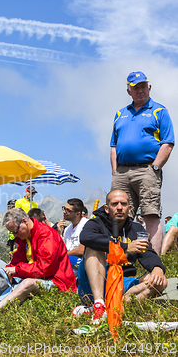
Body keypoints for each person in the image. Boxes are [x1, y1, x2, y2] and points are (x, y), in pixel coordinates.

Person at [0, 208, 76, 323]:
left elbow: (44, 269)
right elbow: (16, 262)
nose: (14, 235)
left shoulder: (47, 235)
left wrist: (16, 270)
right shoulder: (25, 237)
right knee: (5, 276)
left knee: (28, 283)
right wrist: (6, 270)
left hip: (59, 283)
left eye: (15, 231)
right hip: (39, 278)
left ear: (24, 221)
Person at [76, 189, 167, 323]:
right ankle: (98, 304)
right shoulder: (95, 223)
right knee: (94, 248)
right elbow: (86, 237)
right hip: (93, 284)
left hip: (122, 282)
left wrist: (157, 268)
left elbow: (147, 252)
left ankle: (116, 307)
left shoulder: (136, 229)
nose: (119, 207)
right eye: (115, 204)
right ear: (107, 208)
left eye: (123, 204)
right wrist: (124, 247)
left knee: (160, 282)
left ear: (129, 208)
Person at [110, 71, 174, 256]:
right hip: (121, 172)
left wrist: (155, 167)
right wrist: (115, 171)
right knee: (118, 216)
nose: (140, 91)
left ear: (149, 87)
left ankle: (153, 263)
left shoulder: (159, 111)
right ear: (129, 91)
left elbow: (167, 143)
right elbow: (113, 146)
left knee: (150, 214)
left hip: (147, 169)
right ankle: (120, 260)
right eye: (136, 87)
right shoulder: (120, 114)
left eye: (143, 86)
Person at [61, 198, 88, 269]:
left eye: (68, 210)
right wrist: (60, 233)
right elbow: (64, 249)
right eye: (64, 208)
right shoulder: (67, 229)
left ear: (78, 214)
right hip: (69, 262)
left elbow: (82, 250)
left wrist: (63, 255)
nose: (64, 212)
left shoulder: (86, 224)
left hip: (83, 263)